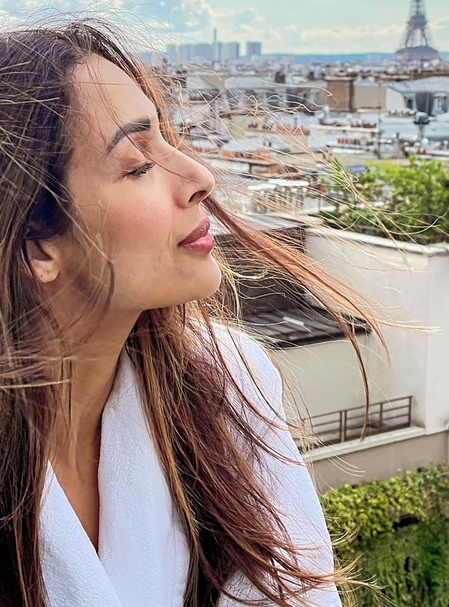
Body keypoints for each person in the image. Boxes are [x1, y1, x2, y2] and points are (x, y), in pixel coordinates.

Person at [0, 18, 384, 607]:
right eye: (138, 165)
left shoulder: (227, 385)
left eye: (166, 140)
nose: (200, 178)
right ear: (38, 247)